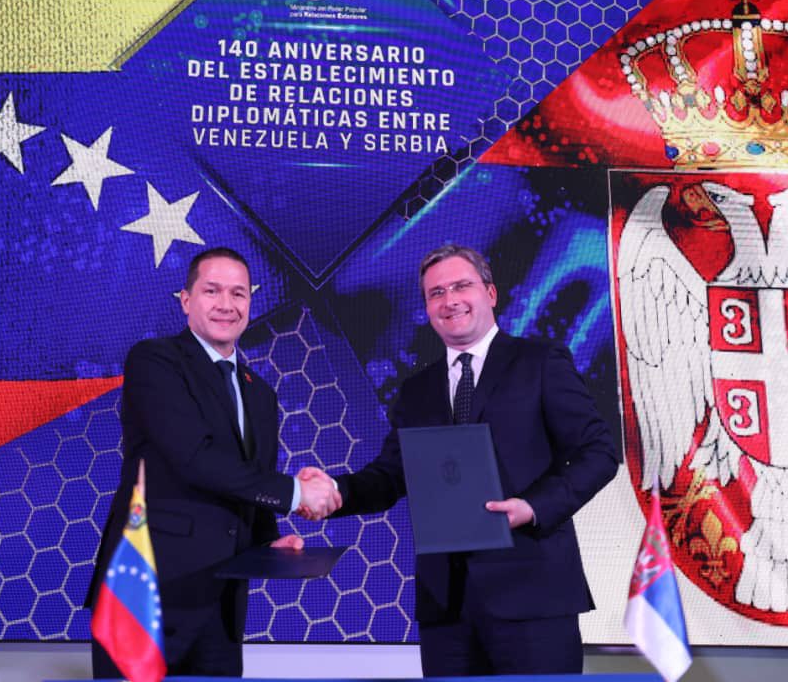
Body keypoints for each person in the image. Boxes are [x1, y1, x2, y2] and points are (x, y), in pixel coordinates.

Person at [300, 243, 618, 675]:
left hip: (533, 598)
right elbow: (390, 476)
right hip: (446, 608)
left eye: (461, 286)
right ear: (428, 308)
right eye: (436, 293)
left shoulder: (540, 363)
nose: (449, 300)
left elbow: (598, 452)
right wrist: (335, 490)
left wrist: (532, 507)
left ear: (491, 293)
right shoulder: (416, 390)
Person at [88, 247, 342, 678]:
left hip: (221, 605)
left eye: (238, 293)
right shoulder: (155, 361)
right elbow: (194, 458)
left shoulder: (260, 394)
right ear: (186, 301)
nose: (227, 304)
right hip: (144, 593)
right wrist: (296, 492)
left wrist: (267, 541)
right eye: (212, 291)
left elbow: (248, 480)